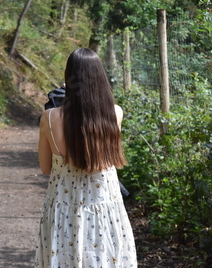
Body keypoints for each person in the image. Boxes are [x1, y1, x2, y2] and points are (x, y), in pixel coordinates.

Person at [35, 47, 137, 267]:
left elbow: (45, 167)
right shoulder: (115, 113)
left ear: (69, 76)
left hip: (64, 208)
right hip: (104, 209)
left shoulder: (50, 117)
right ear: (100, 78)